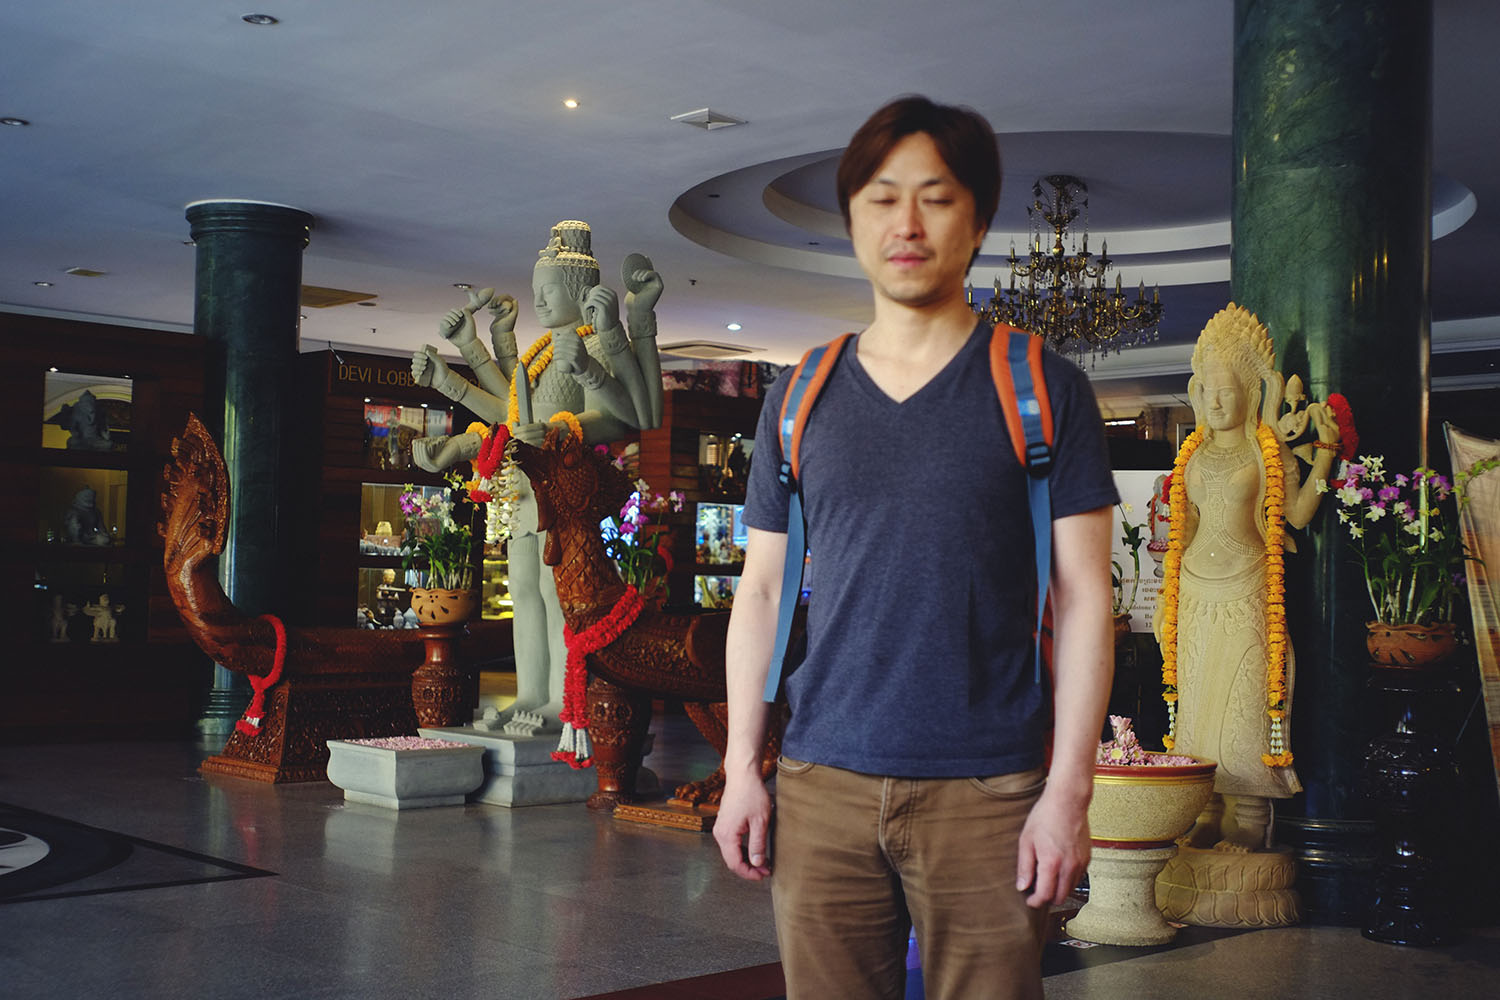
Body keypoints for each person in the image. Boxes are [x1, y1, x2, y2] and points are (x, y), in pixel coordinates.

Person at [712, 96, 1118, 1000]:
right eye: (882, 198)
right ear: (851, 219)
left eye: (935, 199)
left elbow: (1088, 598)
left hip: (991, 789)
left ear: (977, 221)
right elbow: (763, 591)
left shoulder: (1042, 387)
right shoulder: (799, 396)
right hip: (821, 780)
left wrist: (1069, 793)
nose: (907, 223)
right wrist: (741, 769)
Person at [409, 221, 662, 736]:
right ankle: (530, 692)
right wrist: (448, 378)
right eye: (536, 290)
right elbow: (510, 415)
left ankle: (561, 699)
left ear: (578, 293)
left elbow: (622, 420)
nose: (539, 301)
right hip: (523, 487)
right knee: (522, 590)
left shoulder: (592, 346)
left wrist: (561, 422)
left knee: (554, 593)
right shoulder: (542, 352)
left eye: (548, 290)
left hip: (562, 488)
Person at [1155, 305, 1338, 850]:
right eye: (1207, 391)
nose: (1215, 401)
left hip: (1249, 587)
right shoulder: (1192, 454)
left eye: (1227, 390)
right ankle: (1205, 809)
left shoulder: (1266, 450)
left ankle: (1252, 817)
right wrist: (1167, 600)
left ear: (1252, 393)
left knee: (1245, 702)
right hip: (1193, 591)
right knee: (1195, 704)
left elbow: (1298, 514)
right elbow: (1184, 528)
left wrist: (1325, 461)